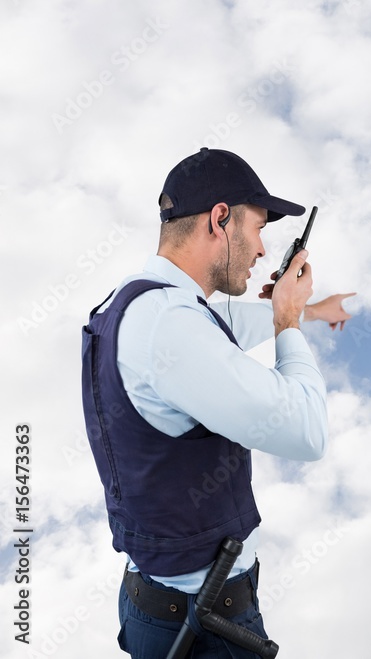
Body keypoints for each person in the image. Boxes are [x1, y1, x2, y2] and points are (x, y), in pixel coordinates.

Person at [81, 147, 354, 657]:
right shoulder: (171, 324)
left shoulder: (134, 303)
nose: (260, 252)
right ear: (220, 219)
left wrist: (306, 309)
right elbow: (307, 432)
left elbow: (215, 333)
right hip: (206, 626)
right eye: (257, 230)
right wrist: (288, 325)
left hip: (156, 604)